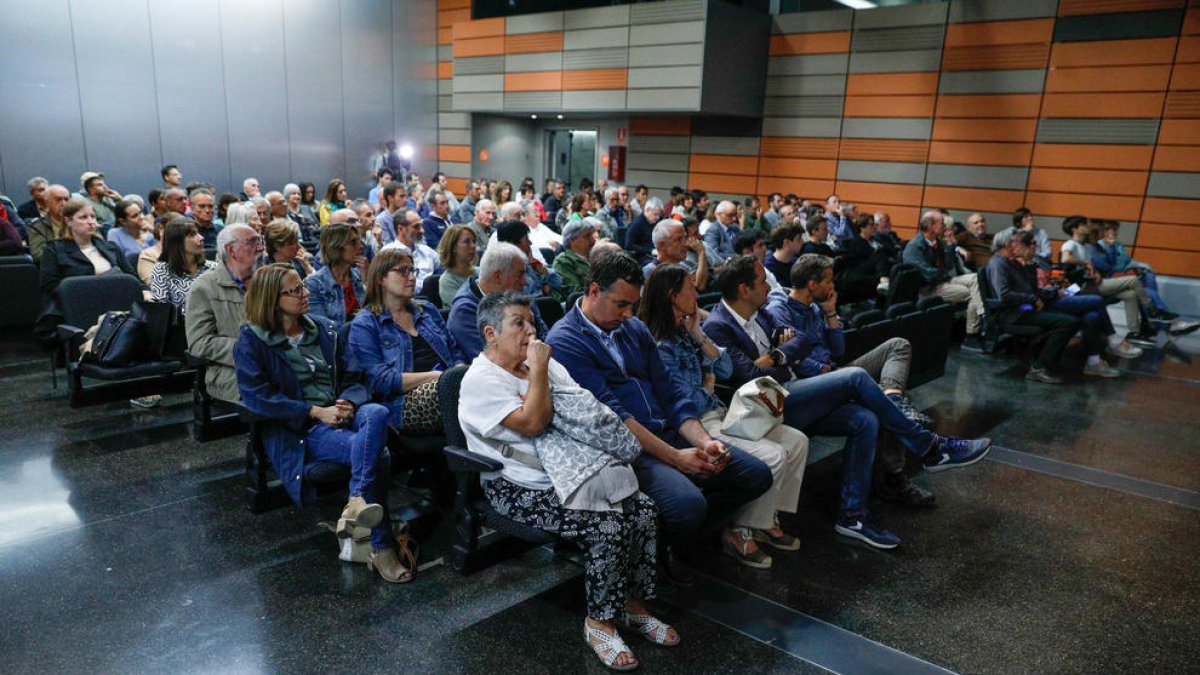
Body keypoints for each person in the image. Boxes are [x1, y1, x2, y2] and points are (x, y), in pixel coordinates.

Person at [703, 255, 992, 548]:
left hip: (792, 393)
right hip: (766, 407)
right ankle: (930, 447)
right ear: (744, 289)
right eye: (762, 281)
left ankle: (852, 515)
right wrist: (784, 355)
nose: (769, 285)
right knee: (854, 377)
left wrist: (777, 354)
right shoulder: (719, 325)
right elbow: (752, 374)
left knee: (864, 420)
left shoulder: (760, 311)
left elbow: (800, 341)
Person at [461, 291, 673, 670]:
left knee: (642, 510)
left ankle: (633, 604)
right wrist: (539, 368)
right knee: (605, 524)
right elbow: (533, 422)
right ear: (491, 333)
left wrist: (539, 368)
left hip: (576, 470)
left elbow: (585, 406)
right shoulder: (480, 380)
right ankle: (599, 622)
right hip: (518, 486)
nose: (530, 330)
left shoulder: (540, 363)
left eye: (531, 321)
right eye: (518, 323)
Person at [546, 252, 773, 576]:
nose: (628, 314)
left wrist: (704, 441)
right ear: (594, 291)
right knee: (688, 505)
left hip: (667, 431)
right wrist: (676, 458)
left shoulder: (633, 327)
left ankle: (667, 540)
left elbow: (670, 393)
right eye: (621, 304)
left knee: (755, 474)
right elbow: (614, 416)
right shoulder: (566, 340)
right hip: (623, 449)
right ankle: (656, 552)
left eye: (632, 305)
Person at [235, 264, 412, 583]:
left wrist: (348, 400)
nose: (305, 293)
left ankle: (356, 502)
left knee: (377, 413)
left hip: (342, 412)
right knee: (379, 454)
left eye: (303, 286)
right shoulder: (252, 341)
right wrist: (316, 412)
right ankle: (381, 546)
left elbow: (354, 376)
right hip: (302, 428)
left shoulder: (324, 329)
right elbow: (258, 398)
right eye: (295, 290)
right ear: (272, 299)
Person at [640, 264, 807, 569]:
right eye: (691, 287)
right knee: (773, 455)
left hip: (717, 411)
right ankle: (739, 531)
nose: (698, 292)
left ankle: (764, 520)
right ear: (672, 296)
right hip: (695, 424)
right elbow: (682, 400)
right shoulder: (660, 345)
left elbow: (726, 368)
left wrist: (697, 334)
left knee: (797, 441)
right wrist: (706, 383)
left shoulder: (684, 331)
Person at [350, 248, 466, 434]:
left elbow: (454, 350)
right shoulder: (365, 323)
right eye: (403, 271)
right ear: (381, 278)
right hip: (403, 403)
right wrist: (441, 378)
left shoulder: (427, 310)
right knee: (465, 393)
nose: (412, 277)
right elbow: (381, 381)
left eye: (413, 271)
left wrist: (459, 368)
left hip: (451, 385)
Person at [186, 224, 262, 403]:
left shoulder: (267, 279)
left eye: (260, 241)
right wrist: (249, 350)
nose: (260, 247)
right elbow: (198, 343)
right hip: (231, 373)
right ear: (231, 250)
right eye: (252, 242)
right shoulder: (204, 287)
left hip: (276, 364)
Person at [1092, 220, 1197, 336]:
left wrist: (1141, 267)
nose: (1116, 232)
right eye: (1113, 229)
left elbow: (1127, 261)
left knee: (1148, 277)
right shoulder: (1101, 246)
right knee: (1146, 292)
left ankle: (1150, 323)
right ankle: (1167, 323)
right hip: (1110, 281)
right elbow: (1113, 266)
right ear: (1105, 231)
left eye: (1116, 230)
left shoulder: (1116, 245)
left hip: (1122, 278)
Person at [448, 242, 549, 360]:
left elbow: (544, 337)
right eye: (519, 275)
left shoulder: (517, 295)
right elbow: (491, 360)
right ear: (498, 276)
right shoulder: (465, 312)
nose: (524, 282)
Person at [903, 210, 985, 352]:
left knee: (976, 278)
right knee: (972, 293)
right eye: (941, 224)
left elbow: (948, 266)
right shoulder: (914, 247)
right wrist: (943, 273)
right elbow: (928, 275)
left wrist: (950, 245)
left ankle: (982, 314)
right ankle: (972, 335)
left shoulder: (937, 243)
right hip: (929, 288)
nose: (945, 227)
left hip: (943, 281)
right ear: (931, 226)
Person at [39, 198, 138, 300]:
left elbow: (132, 277)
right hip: (78, 305)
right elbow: (50, 289)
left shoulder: (111, 246)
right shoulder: (54, 250)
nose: (91, 222)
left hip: (118, 300)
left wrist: (144, 291)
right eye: (83, 217)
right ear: (68, 221)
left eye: (93, 217)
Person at [148, 217, 218, 312]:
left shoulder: (213, 268)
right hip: (179, 325)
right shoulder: (162, 270)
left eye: (198, 233)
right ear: (177, 242)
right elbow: (161, 311)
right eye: (192, 235)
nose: (201, 238)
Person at [305, 221, 365, 324]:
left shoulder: (359, 276)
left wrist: (367, 281)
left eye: (359, 241)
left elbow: (375, 312)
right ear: (336, 248)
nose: (360, 246)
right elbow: (323, 328)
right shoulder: (314, 283)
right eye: (353, 242)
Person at [495, 220, 563, 300]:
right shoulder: (506, 273)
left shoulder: (530, 264)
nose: (530, 243)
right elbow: (527, 300)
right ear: (514, 244)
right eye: (526, 240)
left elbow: (558, 282)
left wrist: (535, 263)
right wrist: (543, 290)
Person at [381, 207, 442, 294]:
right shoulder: (386, 254)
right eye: (416, 227)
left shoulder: (427, 252)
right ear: (401, 229)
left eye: (421, 225)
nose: (422, 231)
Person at [645, 218, 710, 292]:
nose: (685, 243)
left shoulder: (682, 267)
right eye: (679, 239)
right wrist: (701, 253)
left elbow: (700, 286)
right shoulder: (650, 273)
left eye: (685, 237)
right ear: (662, 245)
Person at [552, 218, 599, 299]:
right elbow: (574, 292)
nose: (593, 240)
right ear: (571, 241)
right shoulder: (563, 261)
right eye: (587, 236)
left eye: (591, 235)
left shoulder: (596, 256)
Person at [28, 184, 71, 263]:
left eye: (66, 199)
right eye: (58, 200)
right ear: (47, 203)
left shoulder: (78, 222)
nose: (63, 204)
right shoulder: (37, 227)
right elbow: (39, 255)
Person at [437, 225, 477, 307]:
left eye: (473, 241)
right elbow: (465, 309)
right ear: (453, 247)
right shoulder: (447, 281)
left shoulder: (481, 272)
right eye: (467, 242)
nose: (473, 246)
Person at [623, 197, 662, 265]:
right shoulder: (637, 223)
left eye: (659, 215)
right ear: (647, 210)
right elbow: (628, 245)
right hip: (640, 256)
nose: (658, 217)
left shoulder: (656, 221)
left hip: (653, 253)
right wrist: (650, 251)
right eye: (655, 214)